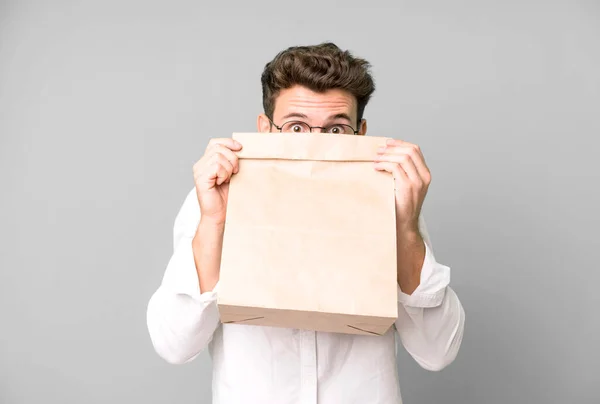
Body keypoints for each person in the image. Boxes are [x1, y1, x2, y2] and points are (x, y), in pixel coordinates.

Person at [146, 42, 465, 404]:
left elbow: (438, 352)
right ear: (265, 129)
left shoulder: (390, 202)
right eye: (296, 128)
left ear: (360, 134)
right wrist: (214, 223)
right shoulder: (216, 197)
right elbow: (173, 345)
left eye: (335, 131)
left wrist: (406, 229)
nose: (315, 147)